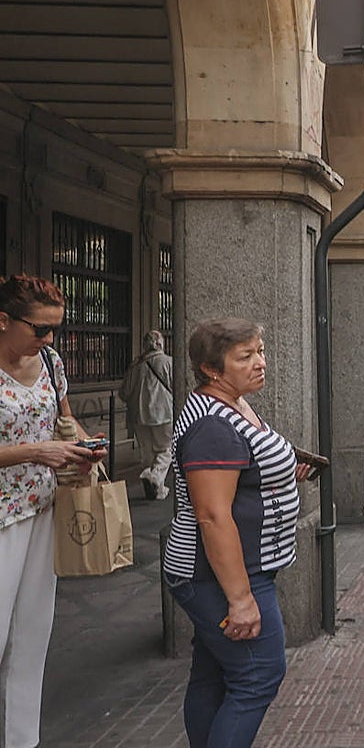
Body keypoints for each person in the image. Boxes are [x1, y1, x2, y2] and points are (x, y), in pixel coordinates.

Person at [162, 318, 312, 748]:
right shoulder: (213, 425)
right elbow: (212, 515)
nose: (260, 363)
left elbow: (243, 471)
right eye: (245, 357)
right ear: (212, 369)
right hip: (217, 576)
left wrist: (284, 474)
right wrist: (241, 600)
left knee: (213, 675)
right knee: (258, 674)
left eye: (260, 351)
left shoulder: (235, 404)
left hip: (237, 569)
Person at [0, 274, 106, 748]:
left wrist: (84, 447)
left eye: (54, 330)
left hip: (43, 507)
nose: (48, 339)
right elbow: (41, 443)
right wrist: (34, 452)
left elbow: (64, 422)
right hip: (3, 514)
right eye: (39, 329)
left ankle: (23, 740)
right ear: (3, 321)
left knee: (32, 633)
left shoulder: (49, 361)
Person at [119, 328, 174, 500]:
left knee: (148, 454)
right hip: (164, 413)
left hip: (140, 416)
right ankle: (156, 477)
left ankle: (156, 489)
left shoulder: (135, 365)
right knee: (167, 448)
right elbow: (178, 386)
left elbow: (124, 393)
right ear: (160, 344)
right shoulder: (169, 362)